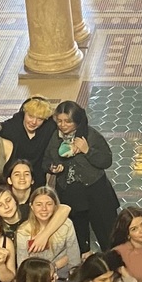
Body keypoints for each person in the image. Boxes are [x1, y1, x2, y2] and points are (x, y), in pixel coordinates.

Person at [45, 100, 120, 256]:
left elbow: (106, 161)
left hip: (96, 192)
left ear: (77, 121)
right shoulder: (55, 137)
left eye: (68, 121)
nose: (63, 125)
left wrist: (87, 151)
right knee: (78, 238)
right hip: (70, 194)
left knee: (108, 235)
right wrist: (52, 168)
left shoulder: (91, 136)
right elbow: (46, 161)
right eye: (59, 121)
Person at [16, 187, 80, 282]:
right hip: (37, 276)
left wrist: (75, 279)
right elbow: (23, 264)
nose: (44, 209)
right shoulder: (23, 232)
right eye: (39, 204)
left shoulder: (66, 225)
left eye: (49, 204)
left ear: (55, 206)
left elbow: (73, 254)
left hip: (62, 272)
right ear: (31, 206)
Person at [0, 97, 57, 180]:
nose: (34, 122)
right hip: (13, 179)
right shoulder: (10, 127)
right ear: (24, 113)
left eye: (39, 119)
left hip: (37, 179)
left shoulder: (49, 128)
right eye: (30, 116)